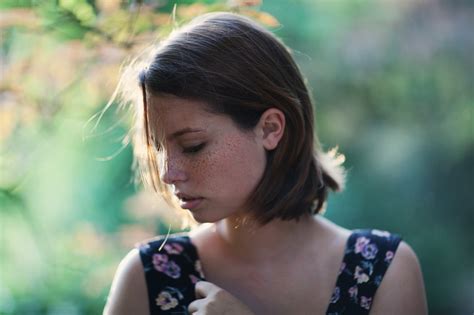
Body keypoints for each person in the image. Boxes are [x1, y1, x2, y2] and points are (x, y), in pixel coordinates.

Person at [103, 12, 427, 315]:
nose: (167, 173)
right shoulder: (146, 277)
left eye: (192, 146)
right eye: (158, 149)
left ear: (269, 129)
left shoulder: (384, 271)